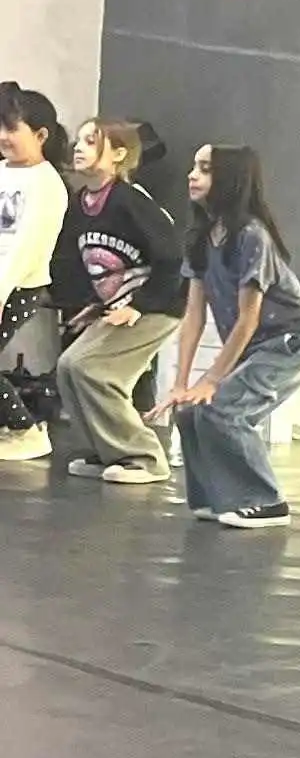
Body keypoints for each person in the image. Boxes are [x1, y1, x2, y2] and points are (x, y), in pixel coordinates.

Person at [152, 144, 300, 528]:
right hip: (258, 345)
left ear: (229, 180)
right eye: (194, 167)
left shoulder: (251, 236)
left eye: (205, 169)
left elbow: (249, 319)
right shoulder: (200, 238)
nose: (192, 176)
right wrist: (181, 384)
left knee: (224, 409)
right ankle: (213, 498)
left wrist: (212, 379)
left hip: (292, 341)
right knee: (191, 410)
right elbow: (194, 316)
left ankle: (266, 501)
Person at [54, 118, 185, 484]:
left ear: (118, 154)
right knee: (69, 366)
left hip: (157, 306)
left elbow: (172, 257)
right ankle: (105, 452)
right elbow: (94, 264)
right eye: (79, 141)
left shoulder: (131, 201)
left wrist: (138, 306)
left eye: (91, 141)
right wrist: (94, 304)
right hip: (120, 307)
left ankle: (144, 457)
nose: (79, 148)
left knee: (94, 370)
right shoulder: (81, 204)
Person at [0, 88, 72, 464]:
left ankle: (26, 430)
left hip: (18, 286)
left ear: (41, 135)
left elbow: (24, 247)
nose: (3, 136)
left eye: (12, 128)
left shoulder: (47, 185)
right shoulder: (3, 171)